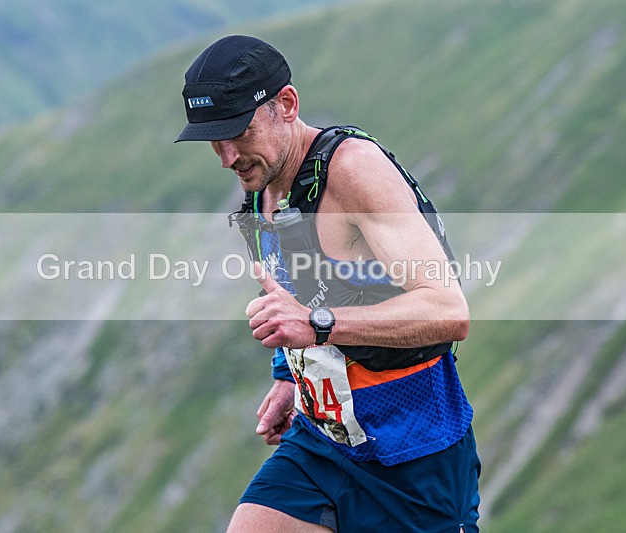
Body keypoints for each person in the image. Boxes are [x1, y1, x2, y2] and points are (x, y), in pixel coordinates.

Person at [176, 35, 481, 532]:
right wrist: (286, 375)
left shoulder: (353, 170)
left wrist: (317, 324)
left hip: (414, 453)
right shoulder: (262, 186)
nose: (227, 156)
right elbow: (299, 287)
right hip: (323, 442)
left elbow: (449, 311)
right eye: (214, 138)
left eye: (238, 131)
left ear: (287, 105)